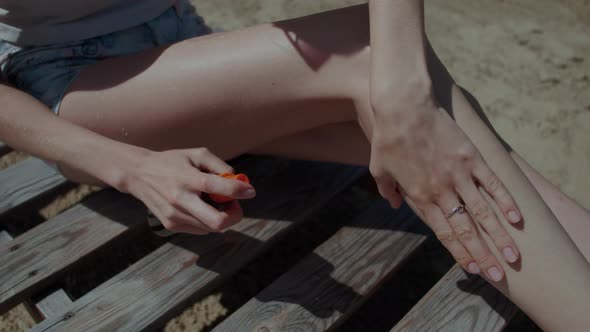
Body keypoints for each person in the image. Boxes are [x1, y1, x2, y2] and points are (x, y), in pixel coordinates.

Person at [0, 0, 588, 330]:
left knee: (431, 115)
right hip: (79, 94)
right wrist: (130, 166)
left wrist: (403, 98)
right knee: (367, 56)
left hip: (178, 42)